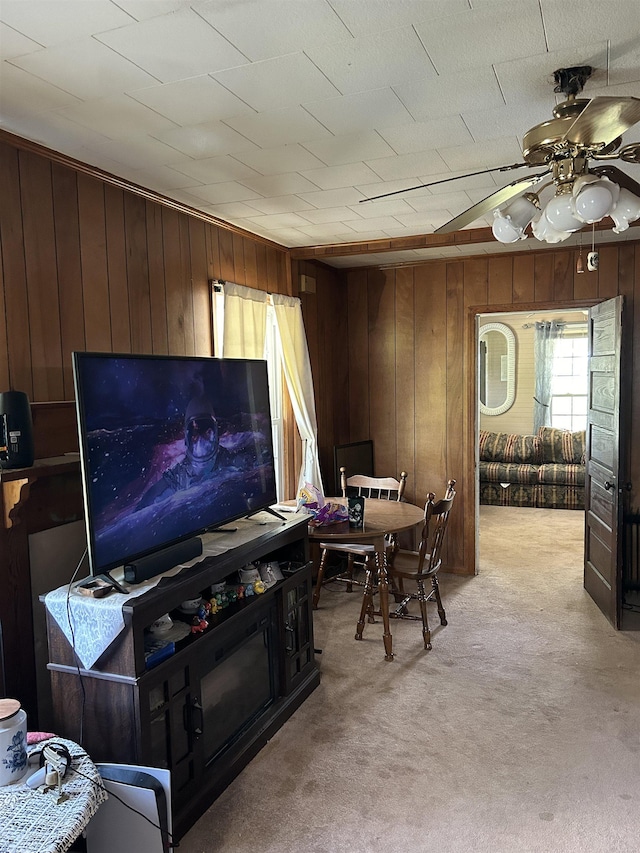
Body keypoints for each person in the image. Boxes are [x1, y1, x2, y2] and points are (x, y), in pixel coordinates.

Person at [137, 393, 230, 509]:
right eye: (195, 433)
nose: (201, 442)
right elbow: (147, 503)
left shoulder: (228, 460)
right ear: (187, 438)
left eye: (206, 432)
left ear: (216, 435)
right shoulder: (179, 476)